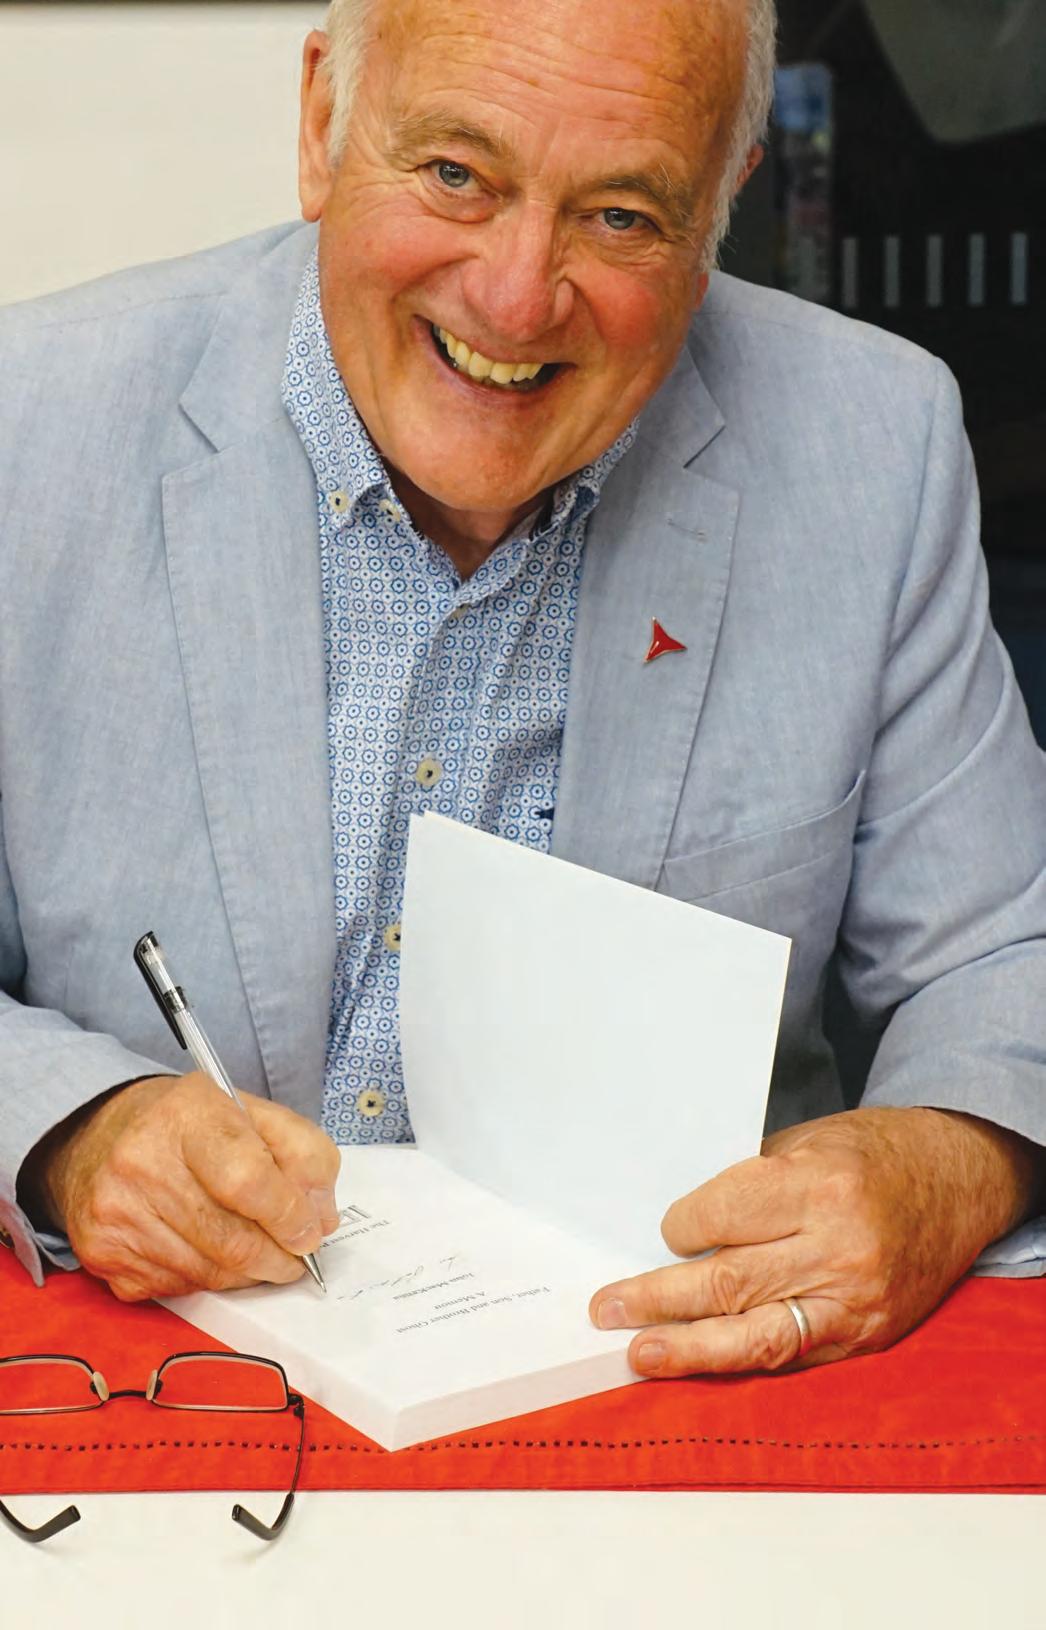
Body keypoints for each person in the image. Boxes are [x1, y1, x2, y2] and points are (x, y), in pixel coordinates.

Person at [1, 0, 1044, 1381]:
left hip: (664, 1388)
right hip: (154, 1387)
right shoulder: (30, 422)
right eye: (455, 175)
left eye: (619, 216)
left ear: (721, 202)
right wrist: (73, 1127)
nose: (514, 298)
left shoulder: (876, 447)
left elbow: (1003, 957)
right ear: (322, 125)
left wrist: (938, 1164)